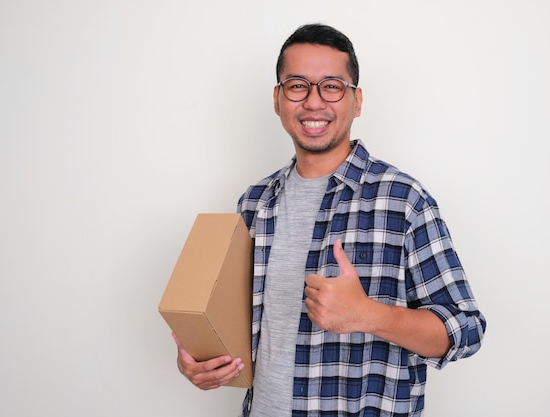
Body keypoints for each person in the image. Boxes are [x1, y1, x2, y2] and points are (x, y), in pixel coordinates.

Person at [174, 23, 487, 417]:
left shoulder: (404, 201)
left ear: (356, 101)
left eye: (332, 86)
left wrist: (369, 315)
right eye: (298, 85)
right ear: (278, 98)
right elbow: (235, 327)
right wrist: (200, 362)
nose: (314, 102)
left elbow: (466, 329)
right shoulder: (254, 203)